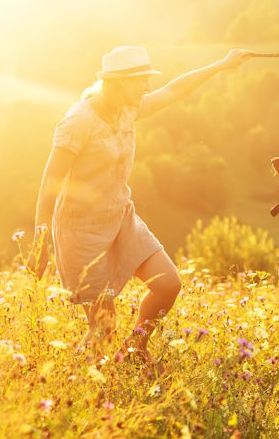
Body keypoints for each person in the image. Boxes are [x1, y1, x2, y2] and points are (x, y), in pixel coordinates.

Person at [31, 45, 253, 359]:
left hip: (120, 216)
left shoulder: (128, 108)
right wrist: (40, 241)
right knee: (103, 331)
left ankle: (135, 348)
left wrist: (221, 65)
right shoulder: (78, 122)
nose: (146, 87)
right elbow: (50, 181)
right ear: (119, 83)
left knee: (168, 284)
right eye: (141, 81)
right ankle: (67, 387)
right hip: (82, 231)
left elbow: (174, 89)